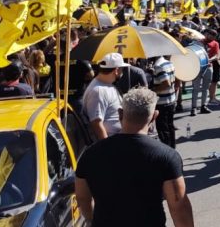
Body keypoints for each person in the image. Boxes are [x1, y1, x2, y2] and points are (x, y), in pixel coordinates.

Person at [76, 88, 193, 227]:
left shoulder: (91, 154)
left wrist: (91, 219)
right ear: (154, 116)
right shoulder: (166, 156)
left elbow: (82, 197)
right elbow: (178, 206)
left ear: (120, 113)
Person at [83, 53, 128, 140]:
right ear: (116, 70)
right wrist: (107, 148)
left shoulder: (107, 85)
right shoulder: (98, 91)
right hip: (110, 144)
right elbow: (96, 123)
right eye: (122, 69)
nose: (123, 72)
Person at [150, 56, 177, 148]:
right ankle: (172, 149)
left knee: (163, 129)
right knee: (170, 127)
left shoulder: (158, 66)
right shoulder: (169, 63)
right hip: (171, 99)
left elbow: (166, 83)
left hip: (162, 102)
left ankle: (167, 151)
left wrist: (152, 90)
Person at [203, 29, 220, 107]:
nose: (213, 37)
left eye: (214, 36)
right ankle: (210, 99)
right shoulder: (201, 41)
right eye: (211, 35)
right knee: (206, 83)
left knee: (214, 82)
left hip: (214, 64)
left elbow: (216, 54)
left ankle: (212, 98)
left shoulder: (215, 43)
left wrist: (210, 59)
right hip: (204, 64)